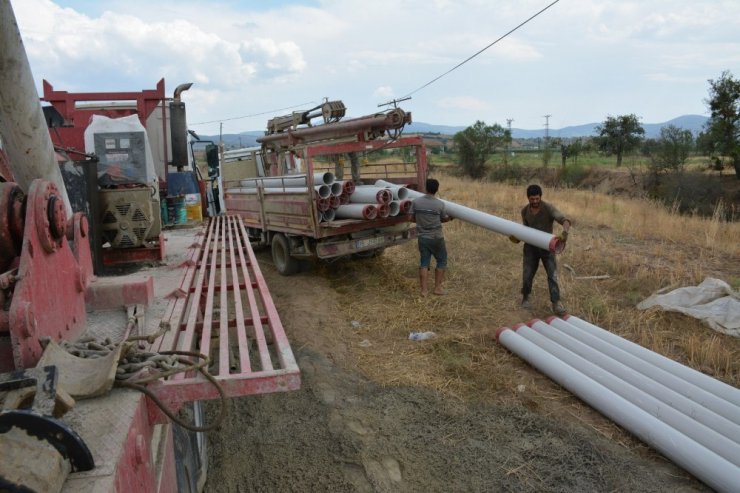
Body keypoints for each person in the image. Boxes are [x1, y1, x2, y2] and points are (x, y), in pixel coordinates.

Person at [513, 184, 571, 315]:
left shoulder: (548, 208)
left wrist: (565, 232)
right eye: (532, 199)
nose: (535, 201)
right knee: (527, 274)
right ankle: (526, 297)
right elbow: (525, 229)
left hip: (547, 247)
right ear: (528, 198)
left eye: (537, 198)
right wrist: (517, 237)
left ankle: (556, 303)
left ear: (540, 197)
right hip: (530, 248)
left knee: (552, 275)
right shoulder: (525, 211)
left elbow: (564, 220)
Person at [409, 178, 452, 296]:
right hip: (437, 237)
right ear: (437, 189)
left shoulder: (416, 202)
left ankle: (424, 291)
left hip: (423, 237)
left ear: (426, 188)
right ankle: (438, 288)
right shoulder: (440, 204)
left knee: (424, 262)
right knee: (442, 260)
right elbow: (443, 219)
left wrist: (419, 221)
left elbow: (410, 218)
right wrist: (450, 218)